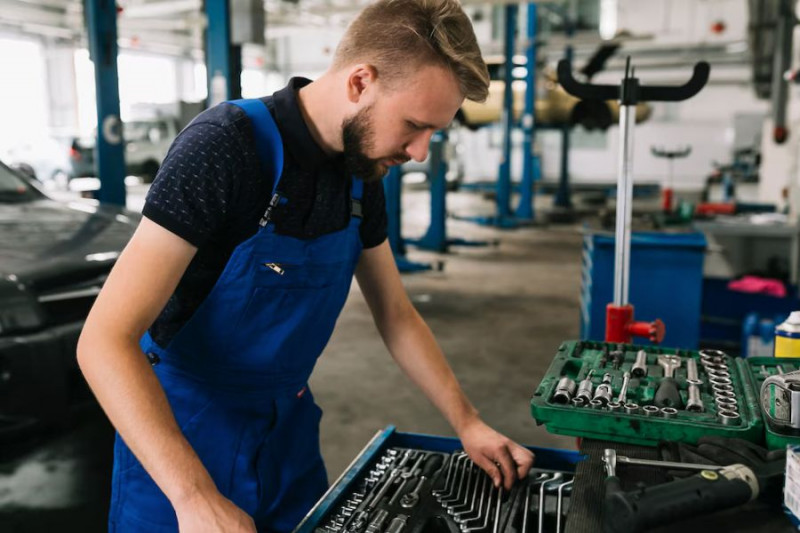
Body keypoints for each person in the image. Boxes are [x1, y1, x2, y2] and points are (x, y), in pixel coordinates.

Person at [77, 0, 535, 531]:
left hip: (288, 439)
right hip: (182, 440)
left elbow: (396, 313)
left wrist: (467, 422)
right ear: (361, 81)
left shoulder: (362, 175)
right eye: (413, 125)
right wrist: (194, 496)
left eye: (433, 132)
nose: (420, 152)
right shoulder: (225, 147)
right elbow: (105, 340)